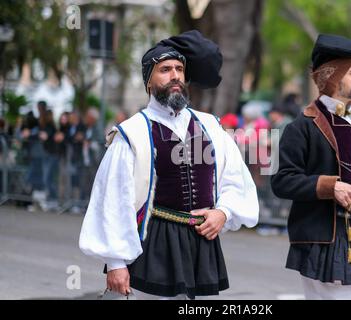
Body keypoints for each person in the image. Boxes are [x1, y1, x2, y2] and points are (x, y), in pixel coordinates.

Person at [79, 30, 259, 300]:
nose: (175, 75)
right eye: (164, 69)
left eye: (179, 69)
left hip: (202, 245)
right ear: (148, 81)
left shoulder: (209, 126)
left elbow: (235, 178)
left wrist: (223, 212)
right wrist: (116, 262)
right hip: (154, 244)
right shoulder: (133, 133)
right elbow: (114, 200)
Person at [271, 34, 351, 300]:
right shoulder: (301, 126)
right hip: (324, 237)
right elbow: (281, 181)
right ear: (332, 78)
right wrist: (330, 187)